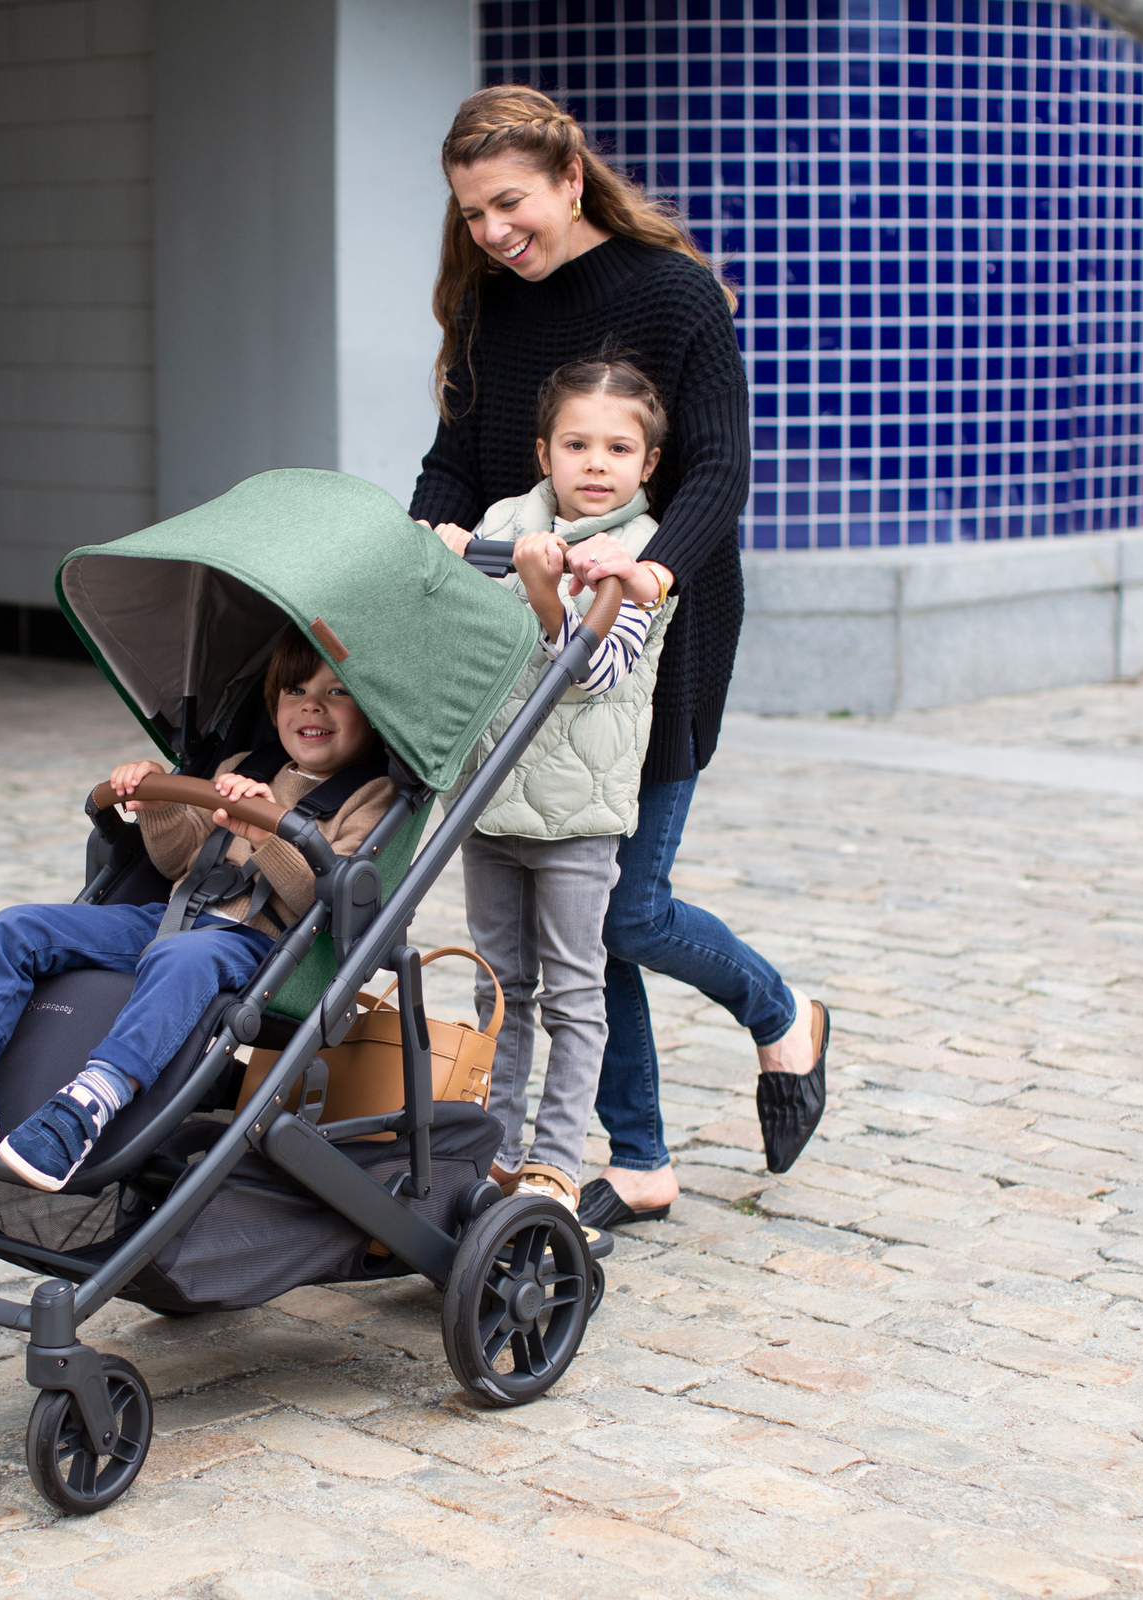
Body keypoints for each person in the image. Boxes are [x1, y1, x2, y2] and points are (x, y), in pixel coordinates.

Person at [412, 86, 828, 1230]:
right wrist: (428, 537)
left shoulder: (674, 295)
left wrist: (652, 573)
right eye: (470, 213)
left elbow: (718, 473)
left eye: (508, 204)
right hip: (529, 634)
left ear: (568, 181)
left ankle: (781, 1008)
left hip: (664, 631)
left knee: (626, 909)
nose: (491, 231)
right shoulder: (490, 307)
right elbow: (457, 461)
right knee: (582, 898)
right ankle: (639, 1158)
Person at [0, 631, 394, 1191]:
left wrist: (269, 832)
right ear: (273, 703)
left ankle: (89, 1103)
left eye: (338, 692)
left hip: (261, 947)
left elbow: (325, 898)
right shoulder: (244, 762)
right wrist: (156, 804)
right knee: (19, 927)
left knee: (184, 957)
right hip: (171, 915)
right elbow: (179, 860)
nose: (312, 705)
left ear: (371, 715)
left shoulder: (371, 797)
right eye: (295, 690)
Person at [436, 357, 674, 1214]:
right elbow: (464, 639)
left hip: (579, 815)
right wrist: (455, 562)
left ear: (648, 465)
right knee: (498, 985)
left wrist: (546, 601)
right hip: (489, 801)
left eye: (619, 447)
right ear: (546, 453)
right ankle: (488, 1148)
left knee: (576, 993)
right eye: (578, 444)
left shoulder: (642, 556)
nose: (597, 464)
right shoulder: (505, 523)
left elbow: (595, 671)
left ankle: (556, 1164)